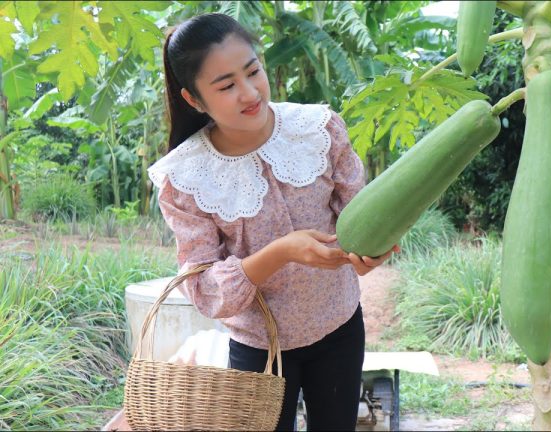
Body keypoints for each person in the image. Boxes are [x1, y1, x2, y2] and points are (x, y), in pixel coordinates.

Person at [149, 13, 398, 431]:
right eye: (226, 85)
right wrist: (281, 252)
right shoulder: (183, 178)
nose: (249, 92)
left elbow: (362, 210)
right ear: (194, 100)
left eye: (253, 71)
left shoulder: (319, 128)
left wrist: (372, 250)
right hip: (259, 348)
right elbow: (205, 289)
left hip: (339, 327)